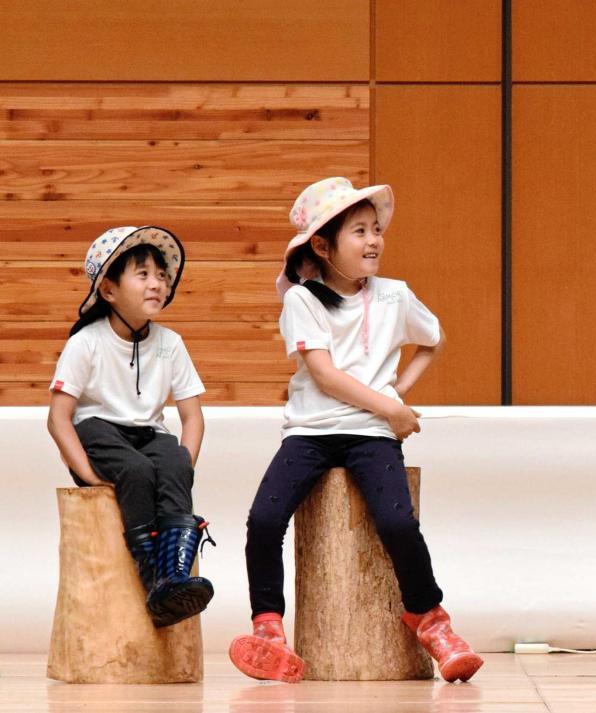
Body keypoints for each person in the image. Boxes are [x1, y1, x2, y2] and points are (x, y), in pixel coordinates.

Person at [228, 177, 483, 684]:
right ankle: (268, 628)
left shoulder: (395, 296)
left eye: (376, 229)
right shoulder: (303, 300)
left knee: (398, 524)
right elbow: (323, 374)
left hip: (370, 433)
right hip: (310, 432)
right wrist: (391, 406)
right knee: (264, 519)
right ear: (323, 246)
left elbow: (433, 340)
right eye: (359, 232)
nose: (374, 241)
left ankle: (430, 620)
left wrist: (395, 400)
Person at [47, 226, 214, 628]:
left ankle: (174, 576)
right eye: (142, 275)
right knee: (137, 470)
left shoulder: (170, 343)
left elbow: (192, 417)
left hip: (148, 435)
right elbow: (58, 418)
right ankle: (151, 576)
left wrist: (182, 465)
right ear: (108, 290)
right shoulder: (86, 342)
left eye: (161, 275)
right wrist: (86, 473)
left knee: (171, 461)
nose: (156, 284)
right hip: (98, 432)